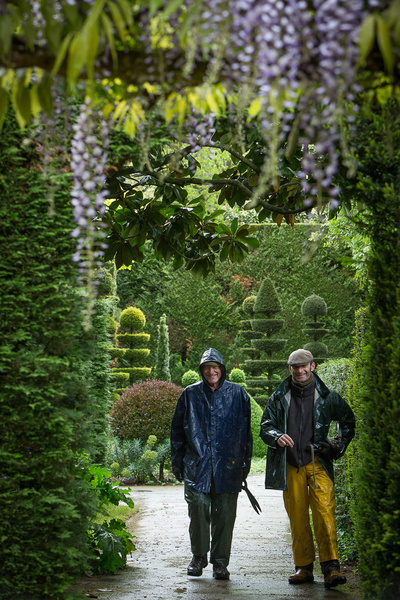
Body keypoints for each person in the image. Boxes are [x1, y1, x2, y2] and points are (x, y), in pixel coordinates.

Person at [260, 348, 355, 589]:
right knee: (298, 516)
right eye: (295, 367)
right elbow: (265, 425)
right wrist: (276, 435)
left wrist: (336, 446)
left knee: (324, 512)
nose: (300, 371)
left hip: (319, 462)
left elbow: (348, 421)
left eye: (304, 366)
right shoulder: (279, 397)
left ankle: (332, 568)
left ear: (313, 366)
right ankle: (303, 568)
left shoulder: (328, 396)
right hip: (291, 463)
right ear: (289, 369)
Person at [170, 347, 252, 581]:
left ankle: (220, 563)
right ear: (201, 370)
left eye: (215, 367)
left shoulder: (238, 394)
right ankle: (198, 557)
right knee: (197, 508)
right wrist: (178, 461)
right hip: (197, 464)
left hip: (229, 465)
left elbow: (246, 433)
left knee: (225, 514)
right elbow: (177, 430)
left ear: (222, 369)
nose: (211, 371)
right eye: (207, 367)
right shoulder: (190, 394)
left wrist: (244, 463)